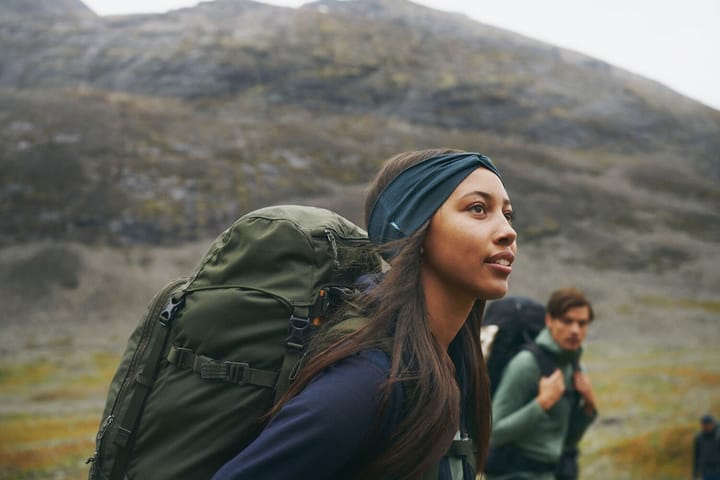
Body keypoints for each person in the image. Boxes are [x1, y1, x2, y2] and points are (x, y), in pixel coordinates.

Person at [210, 149, 518, 479]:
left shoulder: (452, 366)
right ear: (414, 229)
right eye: (478, 209)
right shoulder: (370, 380)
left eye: (508, 214)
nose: (507, 232)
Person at [485, 287, 598, 480]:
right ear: (549, 321)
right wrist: (542, 404)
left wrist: (588, 408)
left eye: (582, 323)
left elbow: (566, 440)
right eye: (567, 321)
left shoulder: (575, 368)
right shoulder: (526, 364)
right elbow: (495, 433)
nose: (575, 330)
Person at [693, 414, 720, 480]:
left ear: (713, 423)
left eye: (708, 424)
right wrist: (695, 472)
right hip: (706, 471)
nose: (706, 427)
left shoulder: (718, 436)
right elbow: (696, 455)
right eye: (704, 425)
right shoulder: (699, 438)